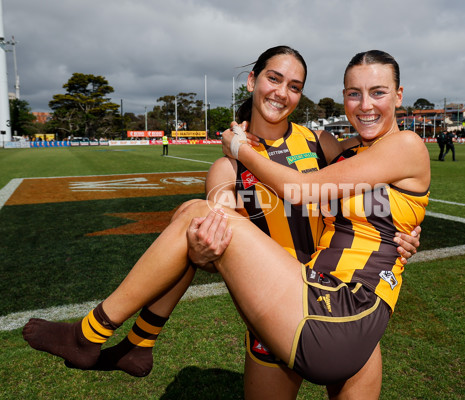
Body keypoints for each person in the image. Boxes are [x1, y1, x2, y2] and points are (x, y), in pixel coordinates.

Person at [23, 47, 422, 399]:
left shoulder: (323, 144)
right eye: (273, 78)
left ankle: (112, 337)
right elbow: (214, 234)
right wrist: (201, 248)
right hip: (272, 311)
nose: (282, 93)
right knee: (197, 217)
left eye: (295, 86)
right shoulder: (225, 167)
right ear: (252, 81)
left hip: (336, 297)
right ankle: (137, 342)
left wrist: (409, 234)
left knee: (194, 213)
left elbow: (385, 197)